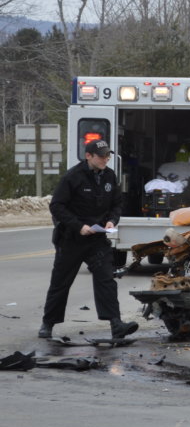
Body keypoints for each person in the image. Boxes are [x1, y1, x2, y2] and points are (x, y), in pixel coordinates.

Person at [39, 140, 139, 340]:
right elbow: (57, 206)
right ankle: (48, 324)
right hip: (71, 239)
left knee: (106, 280)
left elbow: (117, 204)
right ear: (88, 156)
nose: (106, 159)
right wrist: (78, 226)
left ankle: (116, 324)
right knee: (60, 282)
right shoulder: (73, 177)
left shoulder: (109, 176)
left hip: (97, 239)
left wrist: (112, 220)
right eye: (101, 156)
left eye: (107, 155)